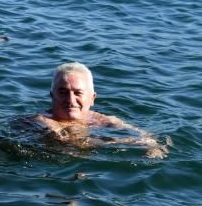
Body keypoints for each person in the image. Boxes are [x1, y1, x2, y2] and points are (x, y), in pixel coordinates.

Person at [32, 62, 166, 158]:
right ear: (52, 96)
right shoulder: (43, 121)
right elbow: (74, 145)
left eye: (78, 93)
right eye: (63, 92)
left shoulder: (101, 119)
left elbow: (147, 137)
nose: (71, 100)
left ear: (92, 98)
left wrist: (154, 147)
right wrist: (126, 142)